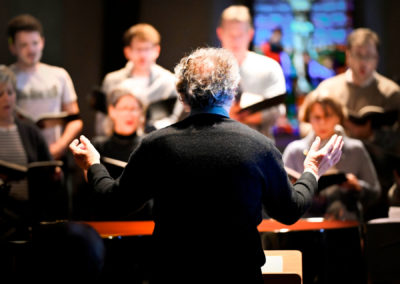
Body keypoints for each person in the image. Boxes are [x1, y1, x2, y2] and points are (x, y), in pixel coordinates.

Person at [70, 47, 343, 283]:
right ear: (233, 92)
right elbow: (289, 210)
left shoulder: (156, 145)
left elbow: (116, 201)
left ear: (181, 94)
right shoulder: (259, 146)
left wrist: (93, 165)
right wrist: (312, 170)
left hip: (173, 276)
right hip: (239, 276)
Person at [316, 28, 400, 219]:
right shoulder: (328, 90)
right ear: (348, 56)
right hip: (337, 176)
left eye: (370, 56)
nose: (364, 62)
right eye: (359, 55)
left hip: (380, 178)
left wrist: (370, 134)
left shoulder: (391, 93)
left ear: (377, 58)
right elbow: (307, 126)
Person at [283, 90, 380, 221]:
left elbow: (375, 192)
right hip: (305, 227)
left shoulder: (355, 148)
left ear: (338, 116)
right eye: (317, 117)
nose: (322, 122)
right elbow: (280, 197)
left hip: (347, 224)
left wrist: (358, 186)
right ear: (308, 118)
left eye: (327, 116)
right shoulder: (294, 150)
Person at [7, 14, 83, 160]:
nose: (31, 50)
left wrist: (59, 147)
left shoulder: (59, 75)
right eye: (24, 45)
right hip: (16, 155)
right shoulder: (6, 78)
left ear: (42, 42)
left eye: (35, 43)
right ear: (12, 47)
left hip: (54, 156)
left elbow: (75, 119)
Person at [96, 23, 182, 135]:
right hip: (118, 143)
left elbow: (173, 119)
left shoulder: (169, 81)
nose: (143, 55)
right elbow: (103, 118)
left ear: (157, 50)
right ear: (127, 51)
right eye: (138, 49)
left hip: (154, 144)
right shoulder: (112, 80)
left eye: (147, 49)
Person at [216, 5, 286, 140]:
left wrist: (243, 114)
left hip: (258, 145)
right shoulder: (208, 68)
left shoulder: (269, 66)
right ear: (220, 33)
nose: (235, 40)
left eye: (240, 35)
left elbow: (279, 110)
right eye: (231, 35)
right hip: (217, 144)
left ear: (251, 34)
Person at [0, 65, 54, 239]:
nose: (6, 98)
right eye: (0, 94)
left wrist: (55, 173)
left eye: (10, 92)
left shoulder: (30, 132)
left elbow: (48, 164)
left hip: (28, 215)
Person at [91, 89, 152, 220]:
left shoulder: (149, 143)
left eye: (134, 109)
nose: (129, 114)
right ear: (112, 111)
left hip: (141, 217)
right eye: (124, 108)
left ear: (141, 113)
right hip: (105, 215)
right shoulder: (98, 146)